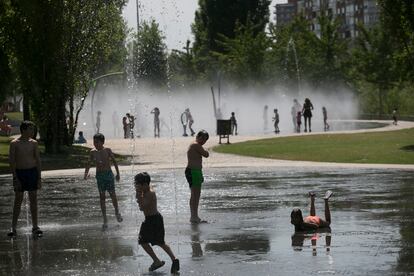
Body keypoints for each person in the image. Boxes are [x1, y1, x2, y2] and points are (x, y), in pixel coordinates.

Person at [134, 172, 180, 273]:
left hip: (154, 220)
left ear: (145, 184)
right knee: (147, 242)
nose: (136, 186)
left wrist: (138, 195)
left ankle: (166, 260)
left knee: (156, 242)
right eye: (136, 184)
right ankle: (164, 260)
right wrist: (139, 194)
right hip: (150, 219)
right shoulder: (145, 191)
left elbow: (142, 207)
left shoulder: (150, 193)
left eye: (138, 185)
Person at [8, 121, 42, 237]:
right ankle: (13, 227)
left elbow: (37, 160)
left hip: (32, 172)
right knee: (18, 200)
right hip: (20, 173)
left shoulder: (34, 143)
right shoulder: (14, 143)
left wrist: (39, 177)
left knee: (33, 199)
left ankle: (35, 226)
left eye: (33, 129)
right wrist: (15, 177)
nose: (32, 132)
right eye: (30, 129)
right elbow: (12, 161)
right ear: (23, 130)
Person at [84, 133, 123, 230]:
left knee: (112, 195)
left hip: (108, 175)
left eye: (97, 142)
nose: (95, 144)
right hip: (100, 177)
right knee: (102, 197)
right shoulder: (93, 152)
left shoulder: (107, 150)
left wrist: (118, 174)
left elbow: (114, 162)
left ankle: (117, 212)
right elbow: (88, 163)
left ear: (102, 142)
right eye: (94, 142)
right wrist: (86, 174)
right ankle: (105, 219)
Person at [185, 130, 209, 224]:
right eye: (202, 138)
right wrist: (205, 151)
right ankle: (193, 217)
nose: (203, 141)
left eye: (205, 140)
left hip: (196, 171)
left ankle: (195, 216)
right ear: (197, 137)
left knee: (196, 195)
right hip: (193, 171)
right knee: (195, 195)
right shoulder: (195, 145)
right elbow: (206, 154)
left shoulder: (197, 146)